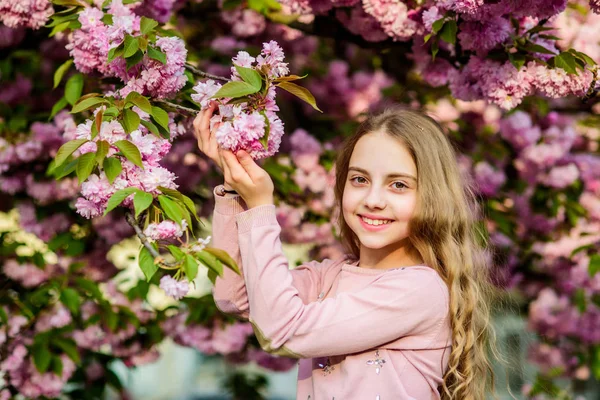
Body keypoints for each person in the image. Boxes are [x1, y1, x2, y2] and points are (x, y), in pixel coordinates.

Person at [193, 104, 498, 400]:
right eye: (360, 179)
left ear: (432, 197)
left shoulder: (419, 290)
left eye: (399, 185)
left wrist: (261, 207)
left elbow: (280, 331)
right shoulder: (328, 277)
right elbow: (234, 295)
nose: (373, 199)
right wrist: (235, 189)